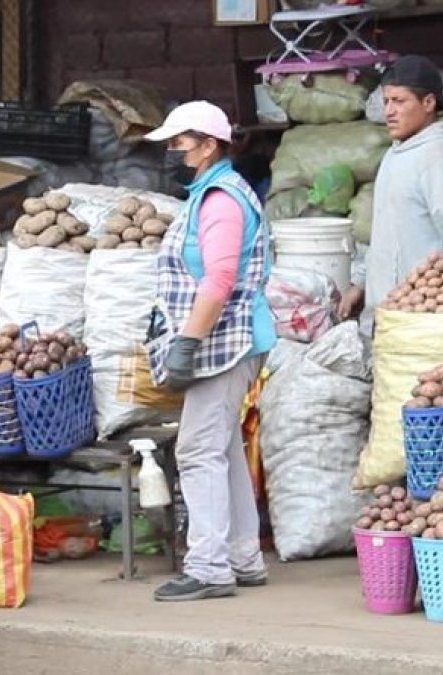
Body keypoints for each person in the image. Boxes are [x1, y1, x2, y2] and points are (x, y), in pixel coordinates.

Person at [143, 101, 275, 602]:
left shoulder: (220, 198)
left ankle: (209, 567)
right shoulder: (207, 193)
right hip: (225, 338)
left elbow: (218, 280)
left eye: (179, 143)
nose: (172, 152)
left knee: (197, 449)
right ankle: (243, 557)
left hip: (226, 341)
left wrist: (186, 343)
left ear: (208, 144)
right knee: (221, 448)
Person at [338, 55, 443, 330]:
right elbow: (385, 235)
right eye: (387, 101)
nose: (389, 111)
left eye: (399, 101)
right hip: (388, 318)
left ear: (428, 103)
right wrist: (361, 283)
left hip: (422, 320)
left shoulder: (442, 155)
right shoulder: (395, 153)